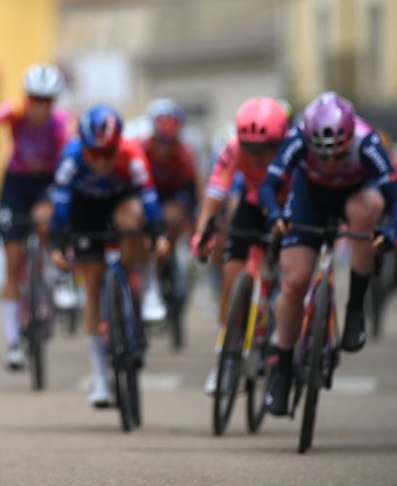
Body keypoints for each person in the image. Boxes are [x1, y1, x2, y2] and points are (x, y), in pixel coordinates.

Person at [258, 92, 397, 416]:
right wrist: (275, 214)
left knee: (367, 212)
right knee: (294, 282)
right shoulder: (297, 138)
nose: (332, 163)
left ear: (350, 137)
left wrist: (389, 232)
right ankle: (282, 366)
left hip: (355, 195)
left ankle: (355, 310)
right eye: (324, 156)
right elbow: (268, 186)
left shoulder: (368, 142)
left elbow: (394, 197)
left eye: (339, 155)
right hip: (310, 196)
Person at [50, 104, 167, 408]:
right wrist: (59, 244)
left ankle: (145, 286)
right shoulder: (71, 158)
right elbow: (60, 204)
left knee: (133, 224)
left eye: (108, 154)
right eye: (94, 155)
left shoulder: (132, 156)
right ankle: (100, 379)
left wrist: (158, 234)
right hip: (85, 208)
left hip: (120, 201)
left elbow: (150, 197)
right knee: (92, 284)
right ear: (84, 148)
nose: (101, 162)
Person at [0, 63, 70, 370]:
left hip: (47, 181)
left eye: (47, 101)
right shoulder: (16, 111)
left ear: (54, 103)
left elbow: (70, 154)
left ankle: (55, 275)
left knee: (45, 219)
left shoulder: (61, 124)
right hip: (16, 183)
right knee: (13, 260)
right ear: (28, 97)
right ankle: (12, 343)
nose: (39, 107)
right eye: (35, 99)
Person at [191, 96, 289, 395]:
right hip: (252, 204)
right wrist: (201, 235)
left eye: (265, 149)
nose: (257, 157)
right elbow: (213, 199)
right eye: (251, 149)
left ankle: (277, 335)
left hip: (291, 208)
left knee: (291, 274)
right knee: (232, 278)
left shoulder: (295, 152)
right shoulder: (232, 149)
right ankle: (225, 359)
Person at [141, 98, 199, 251]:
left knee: (173, 217)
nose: (164, 150)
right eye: (161, 142)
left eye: (170, 142)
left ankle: (169, 254)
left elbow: (193, 188)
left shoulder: (184, 154)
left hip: (171, 196)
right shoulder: (142, 150)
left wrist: (192, 218)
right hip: (145, 193)